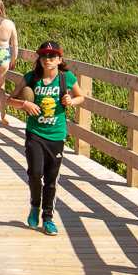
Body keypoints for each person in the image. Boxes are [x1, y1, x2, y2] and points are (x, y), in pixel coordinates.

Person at [7, 41, 85, 236]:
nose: (48, 60)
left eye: (52, 56)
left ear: (60, 59)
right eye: (44, 56)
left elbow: (81, 97)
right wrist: (24, 104)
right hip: (35, 133)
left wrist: (71, 101)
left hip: (57, 135)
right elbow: (10, 99)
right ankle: (35, 207)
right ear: (39, 59)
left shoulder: (66, 78)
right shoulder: (31, 78)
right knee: (35, 172)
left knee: (51, 179)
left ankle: (48, 218)